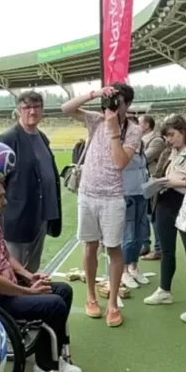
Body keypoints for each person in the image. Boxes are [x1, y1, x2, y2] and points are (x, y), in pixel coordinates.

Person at [0, 180, 82, 372]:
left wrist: (29, 276)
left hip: (9, 289)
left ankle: (60, 357)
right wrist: (29, 291)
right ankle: (44, 369)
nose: (6, 201)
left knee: (63, 290)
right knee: (54, 304)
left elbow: (6, 257)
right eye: (0, 197)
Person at [61, 84, 142, 327]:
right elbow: (66, 108)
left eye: (117, 102)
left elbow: (119, 163)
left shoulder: (133, 130)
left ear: (126, 105)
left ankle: (113, 303)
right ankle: (91, 297)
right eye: (110, 101)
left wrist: (114, 129)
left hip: (112, 197)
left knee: (113, 249)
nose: (111, 107)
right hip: (87, 194)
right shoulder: (95, 119)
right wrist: (95, 94)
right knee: (90, 246)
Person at [143, 115, 186, 324]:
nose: (169, 140)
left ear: (184, 131)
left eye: (172, 135)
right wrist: (157, 182)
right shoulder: (167, 152)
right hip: (164, 203)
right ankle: (164, 290)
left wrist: (170, 181)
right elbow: (159, 173)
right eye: (166, 136)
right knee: (166, 251)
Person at [0, 90, 62, 273]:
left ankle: (30, 298)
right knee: (14, 268)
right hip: (18, 215)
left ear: (42, 110)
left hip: (40, 213)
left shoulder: (41, 137)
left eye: (36, 107)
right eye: (27, 107)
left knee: (32, 267)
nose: (32, 111)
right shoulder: (7, 139)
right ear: (18, 110)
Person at [121, 115, 151, 288]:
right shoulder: (123, 147)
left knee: (140, 233)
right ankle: (123, 270)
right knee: (128, 234)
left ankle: (133, 266)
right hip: (127, 193)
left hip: (142, 192)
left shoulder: (141, 146)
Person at [139, 114, 165, 259]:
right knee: (145, 215)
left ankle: (159, 249)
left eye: (139, 123)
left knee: (153, 215)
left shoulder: (156, 141)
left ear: (147, 125)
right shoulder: (142, 140)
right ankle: (145, 245)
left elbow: (143, 159)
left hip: (153, 182)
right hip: (144, 182)